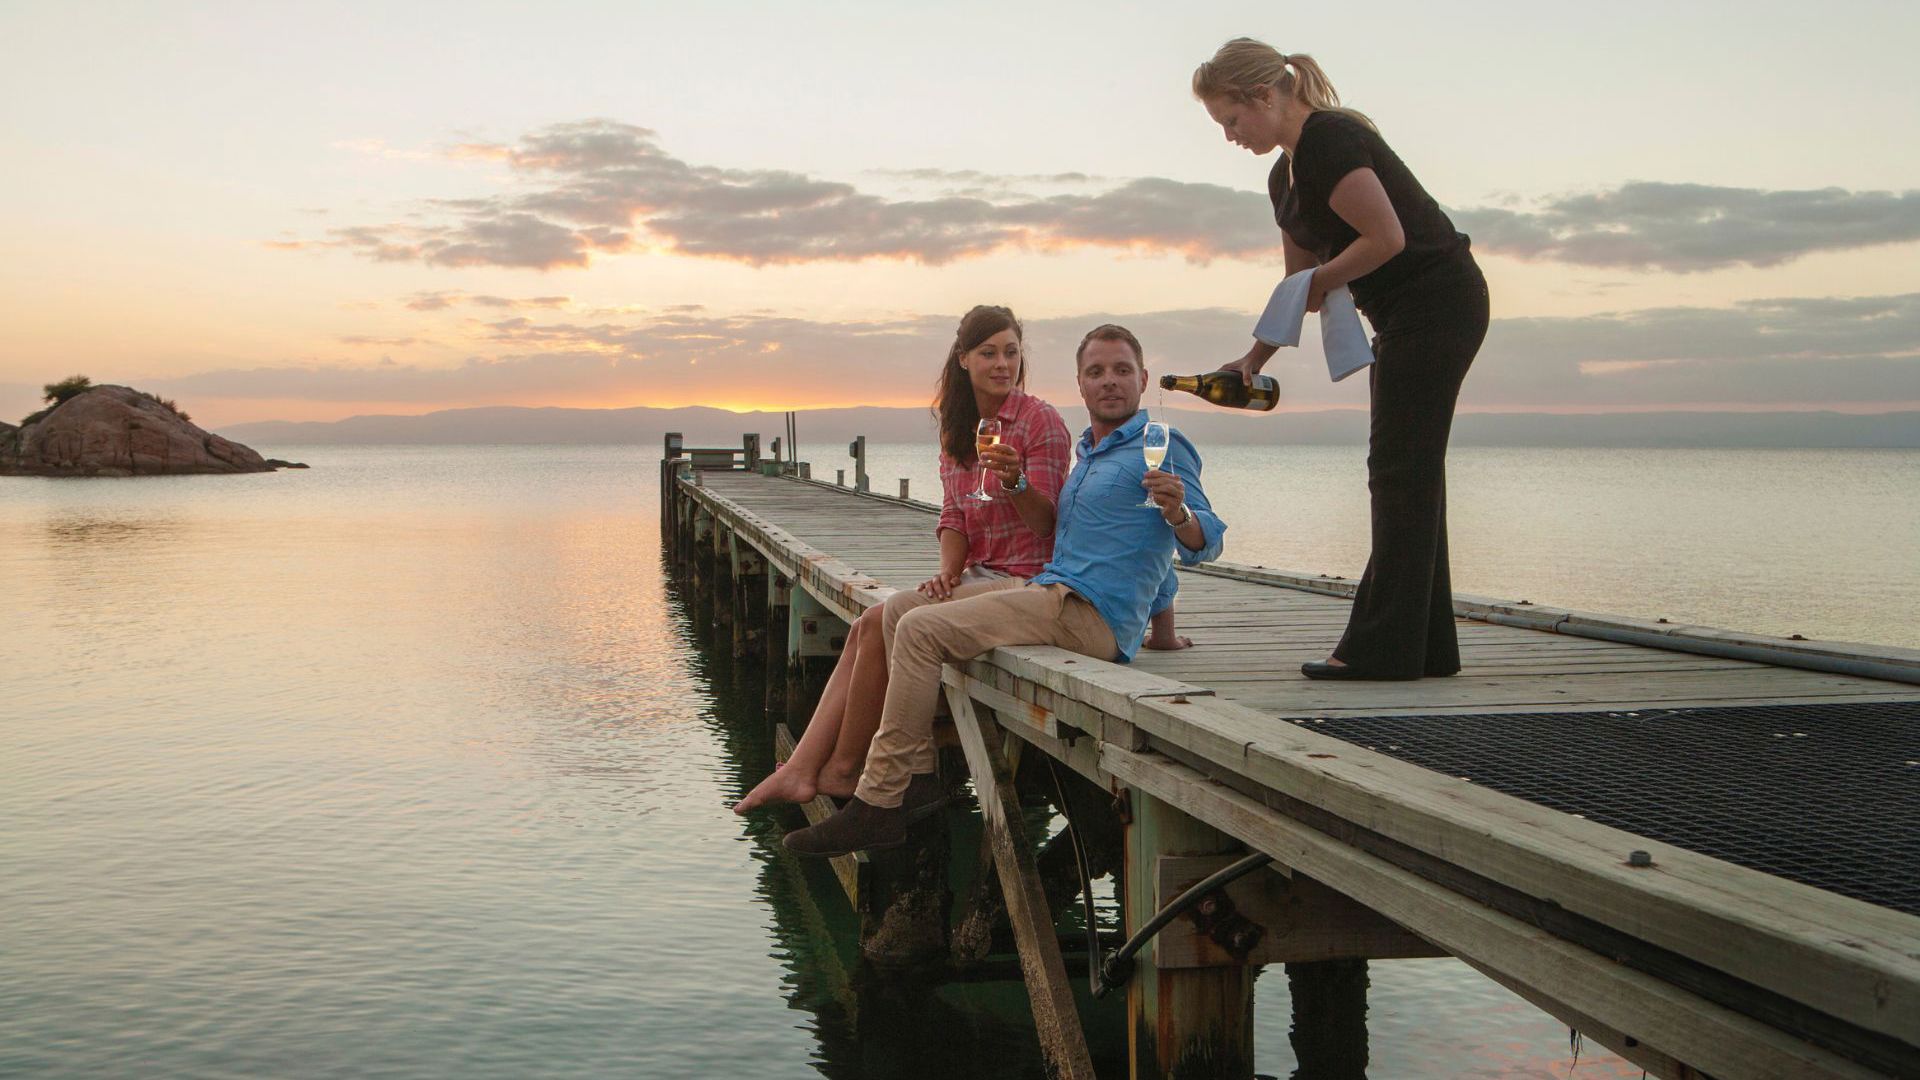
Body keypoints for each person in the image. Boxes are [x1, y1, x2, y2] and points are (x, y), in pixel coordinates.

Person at [784, 324, 1226, 857]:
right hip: (1051, 593)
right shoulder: (1089, 454)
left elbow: (1205, 541)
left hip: (1091, 614)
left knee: (920, 630)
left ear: (1144, 379)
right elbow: (1133, 548)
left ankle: (879, 801)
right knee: (898, 610)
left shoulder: (1163, 445)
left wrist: (1179, 514)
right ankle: (916, 779)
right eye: (1096, 372)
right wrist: (1164, 630)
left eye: (1121, 370)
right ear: (1081, 385)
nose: (1109, 381)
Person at [1196, 38, 1490, 681]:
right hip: (1399, 314)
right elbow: (1299, 285)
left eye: (1231, 119)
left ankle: (1382, 650)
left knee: (1398, 470)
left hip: (1439, 300)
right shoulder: (1283, 178)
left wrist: (1322, 281)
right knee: (1410, 471)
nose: (1230, 136)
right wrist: (1254, 358)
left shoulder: (1331, 139)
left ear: (1264, 96)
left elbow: (1387, 238)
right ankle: (1428, 647)